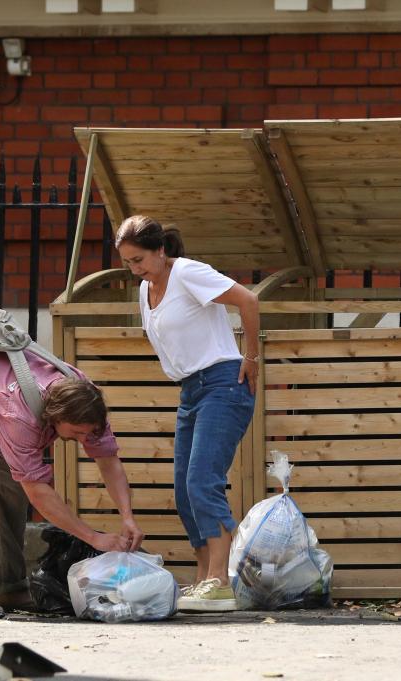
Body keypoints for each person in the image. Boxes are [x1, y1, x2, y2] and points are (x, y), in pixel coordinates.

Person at [0, 350, 145, 619]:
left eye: (88, 432)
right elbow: (38, 491)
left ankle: (7, 587)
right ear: (53, 418)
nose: (84, 439)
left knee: (11, 489)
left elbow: (108, 460)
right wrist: (93, 537)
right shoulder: (20, 416)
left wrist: (128, 518)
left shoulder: (85, 399)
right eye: (77, 432)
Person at [115, 215, 259, 612]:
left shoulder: (189, 273)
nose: (135, 269)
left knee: (202, 481)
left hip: (224, 382)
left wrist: (251, 358)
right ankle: (202, 578)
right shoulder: (146, 289)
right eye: (128, 262)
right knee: (183, 489)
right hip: (191, 389)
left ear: (161, 250)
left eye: (140, 259)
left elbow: (248, 299)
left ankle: (221, 579)